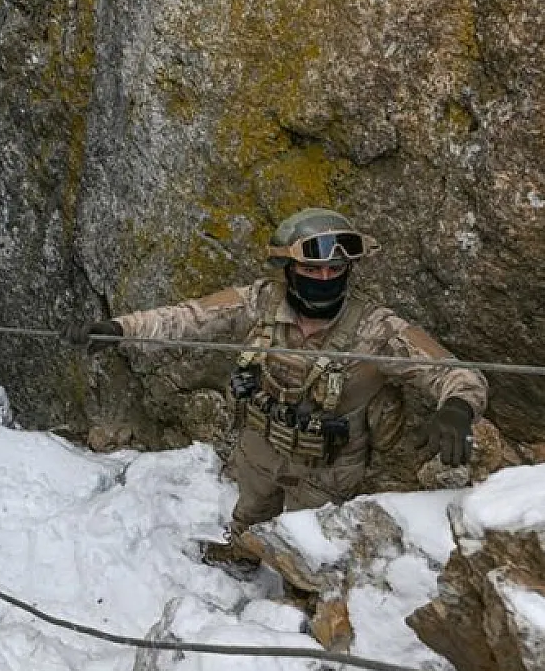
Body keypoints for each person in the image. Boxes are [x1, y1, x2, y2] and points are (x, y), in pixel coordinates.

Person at [73, 208, 486, 570]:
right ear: (289, 270)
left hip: (331, 460)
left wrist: (458, 407)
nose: (324, 278)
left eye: (335, 270)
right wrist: (121, 329)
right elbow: (186, 319)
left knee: (312, 543)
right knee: (252, 509)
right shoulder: (260, 303)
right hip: (263, 439)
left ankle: (302, 598)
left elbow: (455, 374)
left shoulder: (376, 330)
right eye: (312, 270)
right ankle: (243, 552)